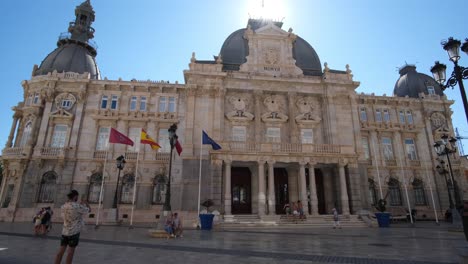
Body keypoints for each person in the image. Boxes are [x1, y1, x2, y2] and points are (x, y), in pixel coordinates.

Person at [54, 190, 90, 264]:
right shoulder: (77, 206)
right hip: (74, 232)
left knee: (61, 251)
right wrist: (86, 203)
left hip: (65, 231)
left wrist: (80, 204)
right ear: (75, 196)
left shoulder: (63, 206)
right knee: (70, 252)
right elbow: (88, 210)